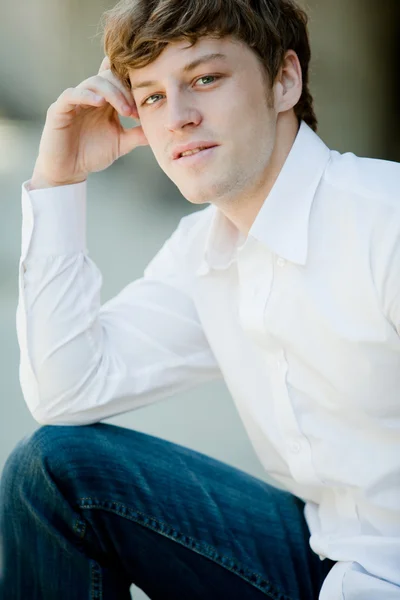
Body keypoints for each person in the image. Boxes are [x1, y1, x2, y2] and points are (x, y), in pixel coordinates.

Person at [1, 0, 399, 597]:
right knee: (56, 472)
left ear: (285, 79)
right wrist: (60, 181)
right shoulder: (205, 251)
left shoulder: (385, 223)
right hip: (325, 552)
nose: (179, 117)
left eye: (205, 79)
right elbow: (68, 391)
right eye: (153, 97)